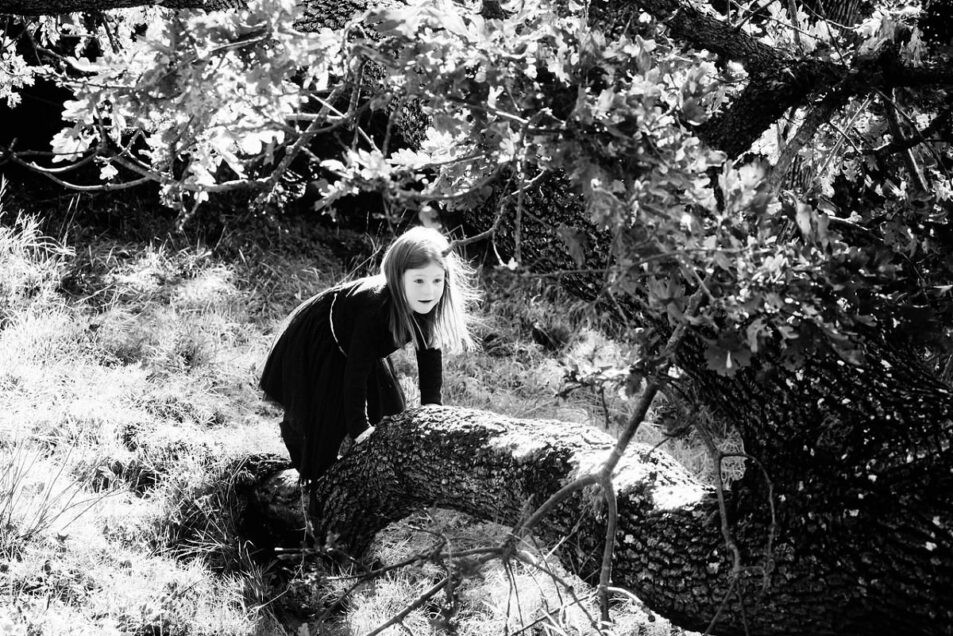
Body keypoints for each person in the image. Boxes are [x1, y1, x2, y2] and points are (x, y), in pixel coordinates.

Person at [259, 226, 478, 486]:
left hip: (363, 350)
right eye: (418, 280)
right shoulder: (374, 309)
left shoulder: (426, 305)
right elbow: (355, 375)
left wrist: (432, 408)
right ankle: (305, 461)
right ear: (398, 279)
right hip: (327, 339)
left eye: (436, 281)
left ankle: (376, 476)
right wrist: (360, 429)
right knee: (325, 424)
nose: (429, 291)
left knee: (390, 409)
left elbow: (430, 358)